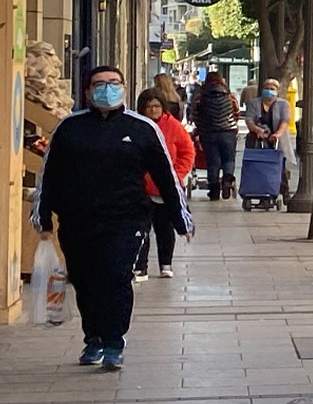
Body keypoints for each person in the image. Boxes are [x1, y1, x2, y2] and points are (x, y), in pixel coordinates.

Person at [31, 67, 193, 371]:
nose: (107, 89)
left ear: (125, 88)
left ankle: (114, 340)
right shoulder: (69, 128)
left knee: (116, 275)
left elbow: (166, 175)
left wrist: (180, 218)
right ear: (87, 91)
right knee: (85, 280)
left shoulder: (142, 128)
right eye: (99, 84)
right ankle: (93, 337)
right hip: (78, 221)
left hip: (126, 220)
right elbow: (50, 175)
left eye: (113, 83)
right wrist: (42, 215)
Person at [132, 90, 196, 278]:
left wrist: (176, 175)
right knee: (140, 229)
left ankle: (165, 263)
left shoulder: (174, 126)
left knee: (165, 228)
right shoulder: (136, 126)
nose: (153, 110)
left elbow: (187, 152)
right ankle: (140, 267)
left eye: (157, 106)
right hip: (141, 187)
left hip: (165, 189)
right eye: (148, 107)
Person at [191, 73, 240, 199]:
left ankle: (214, 190)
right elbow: (236, 112)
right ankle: (227, 180)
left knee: (213, 162)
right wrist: (231, 123)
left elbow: (195, 115)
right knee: (229, 159)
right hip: (228, 132)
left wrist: (201, 127)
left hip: (208, 133)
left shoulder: (200, 97)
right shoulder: (230, 96)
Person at [248, 77, 292, 196]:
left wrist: (277, 134)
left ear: (277, 91)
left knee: (279, 165)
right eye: (266, 88)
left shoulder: (283, 104)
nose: (269, 91)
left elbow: (285, 121)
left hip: (277, 139)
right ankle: (261, 190)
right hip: (258, 139)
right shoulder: (254, 103)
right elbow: (249, 120)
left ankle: (284, 190)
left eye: (272, 89)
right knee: (259, 165)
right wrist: (258, 130)